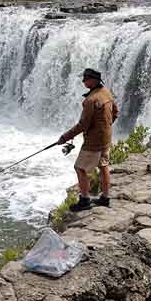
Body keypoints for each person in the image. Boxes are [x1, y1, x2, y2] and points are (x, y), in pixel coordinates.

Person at [58, 68, 119, 212]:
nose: (83, 81)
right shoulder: (106, 92)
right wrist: (105, 127)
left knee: (79, 167)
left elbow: (83, 125)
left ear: (93, 80)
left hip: (94, 142)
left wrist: (65, 137)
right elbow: (116, 112)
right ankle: (105, 197)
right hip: (106, 138)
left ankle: (84, 199)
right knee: (103, 166)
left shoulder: (91, 100)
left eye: (86, 79)